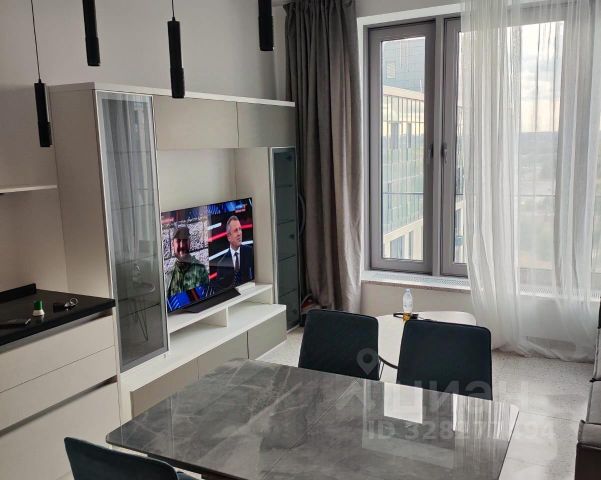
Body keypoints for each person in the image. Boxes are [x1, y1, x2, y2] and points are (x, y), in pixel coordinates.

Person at [167, 226, 209, 298]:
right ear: (172, 245)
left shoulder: (200, 270)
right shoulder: (169, 275)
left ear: (190, 243)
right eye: (178, 241)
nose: (182, 245)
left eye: (185, 241)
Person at [214, 215, 254, 289]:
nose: (239, 233)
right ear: (229, 237)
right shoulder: (221, 264)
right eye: (236, 230)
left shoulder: (250, 252)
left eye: (240, 229)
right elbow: (219, 290)